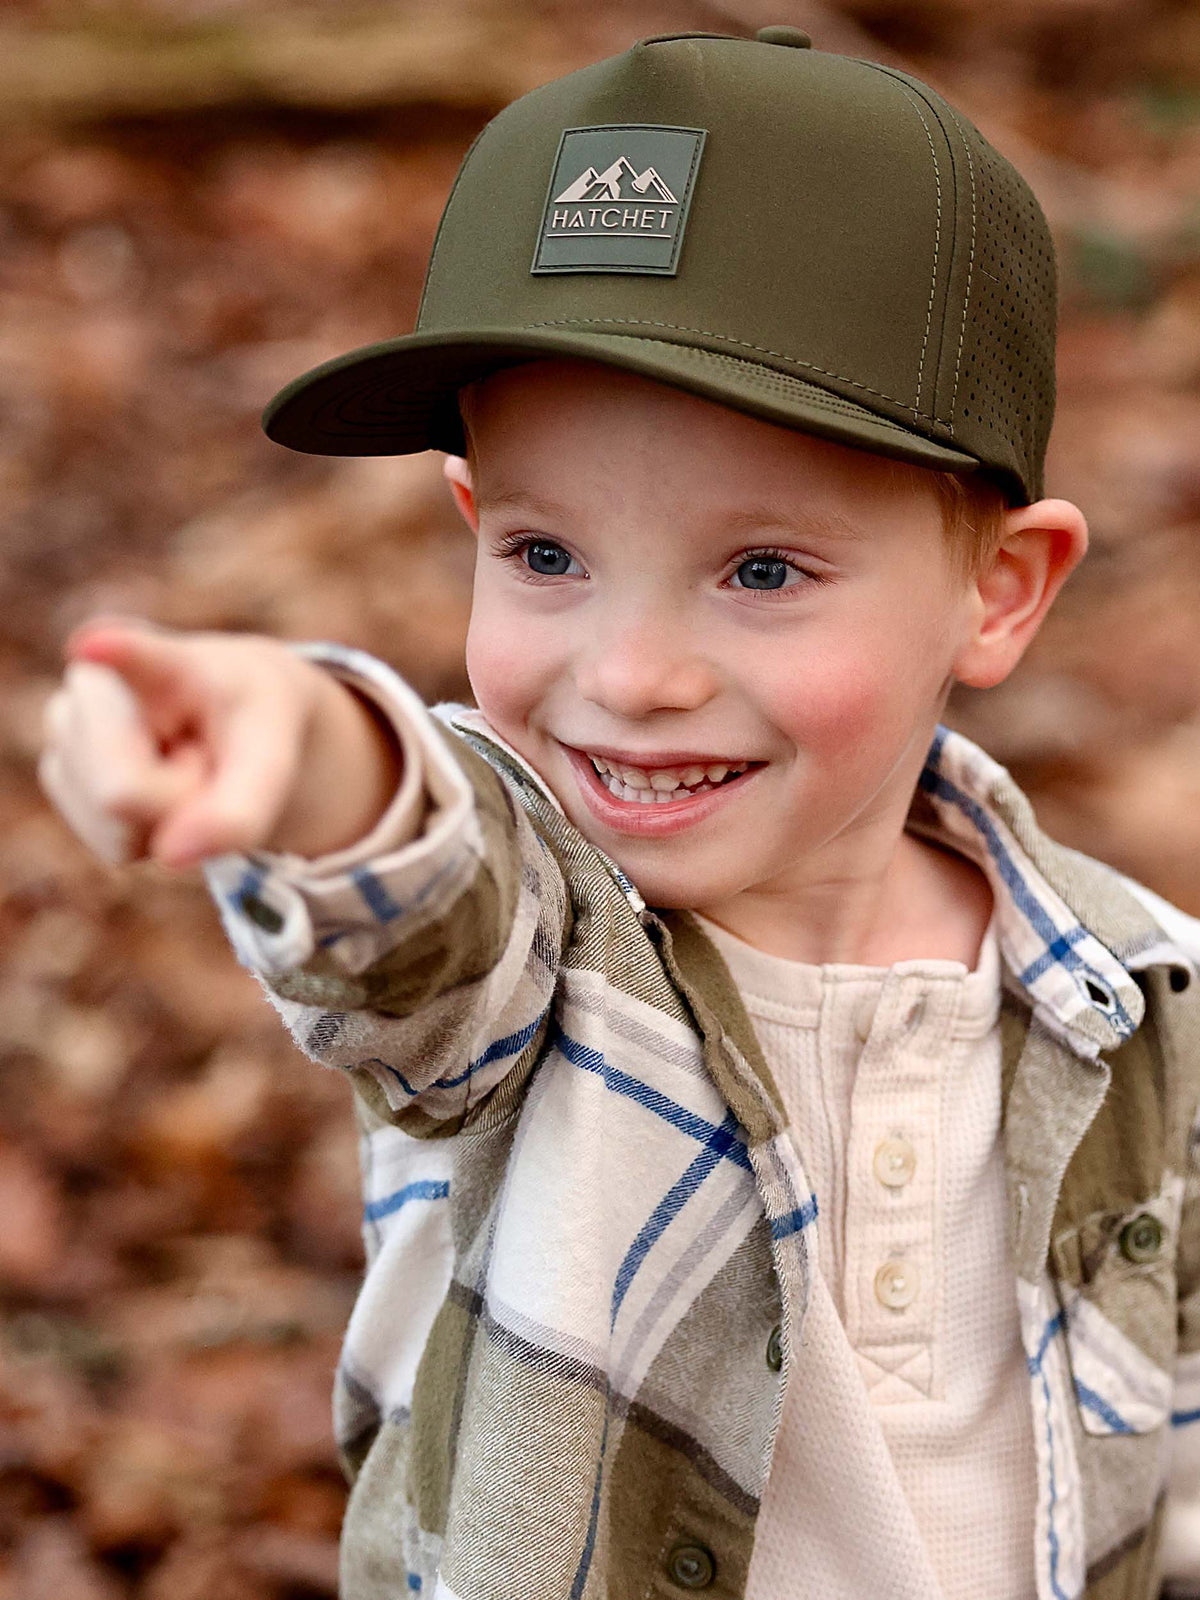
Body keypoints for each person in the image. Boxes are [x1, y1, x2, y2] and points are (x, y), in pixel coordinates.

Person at [35, 25, 1200, 1600]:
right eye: (544, 557)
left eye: (763, 571)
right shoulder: (546, 969)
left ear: (999, 594)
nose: (631, 675)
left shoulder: (1143, 1005)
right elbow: (419, 878)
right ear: (468, 517)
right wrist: (294, 737)